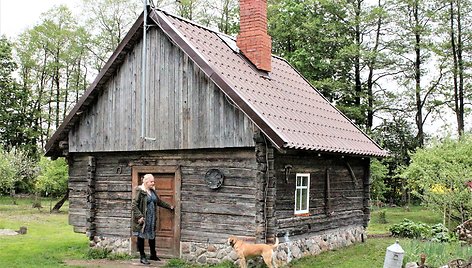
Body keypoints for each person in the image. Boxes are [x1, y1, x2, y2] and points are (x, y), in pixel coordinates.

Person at [132, 174, 174, 265]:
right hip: (143, 218)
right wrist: (139, 216)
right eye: (152, 181)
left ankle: (153, 255)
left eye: (153, 181)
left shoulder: (152, 191)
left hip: (151, 218)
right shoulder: (140, 191)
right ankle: (142, 257)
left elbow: (158, 201)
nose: (153, 183)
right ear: (146, 182)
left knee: (152, 235)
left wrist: (169, 206)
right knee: (141, 236)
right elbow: (134, 205)